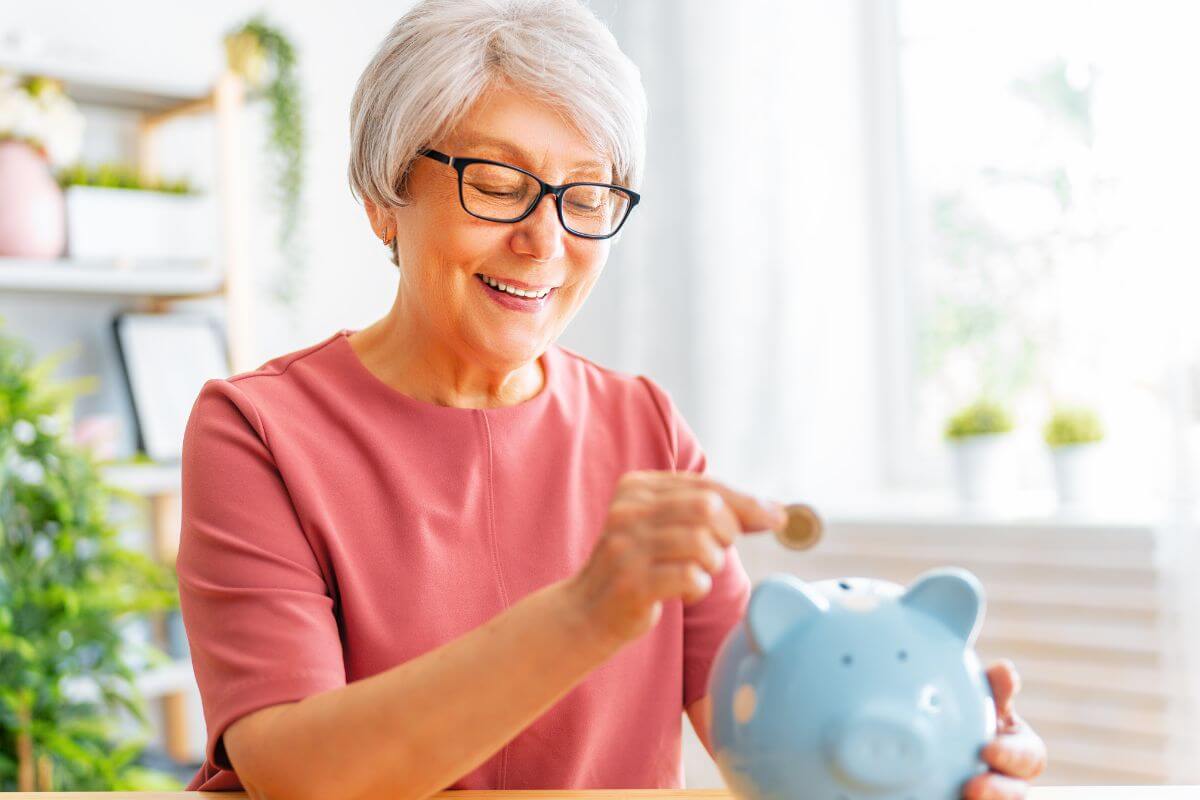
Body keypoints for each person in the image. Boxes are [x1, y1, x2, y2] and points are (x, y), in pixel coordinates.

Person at [176, 2, 1046, 799]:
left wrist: (943, 737)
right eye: (498, 182)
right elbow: (297, 776)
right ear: (381, 196)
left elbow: (768, 728)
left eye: (586, 195)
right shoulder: (258, 430)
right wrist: (587, 612)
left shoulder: (645, 427)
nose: (543, 238)